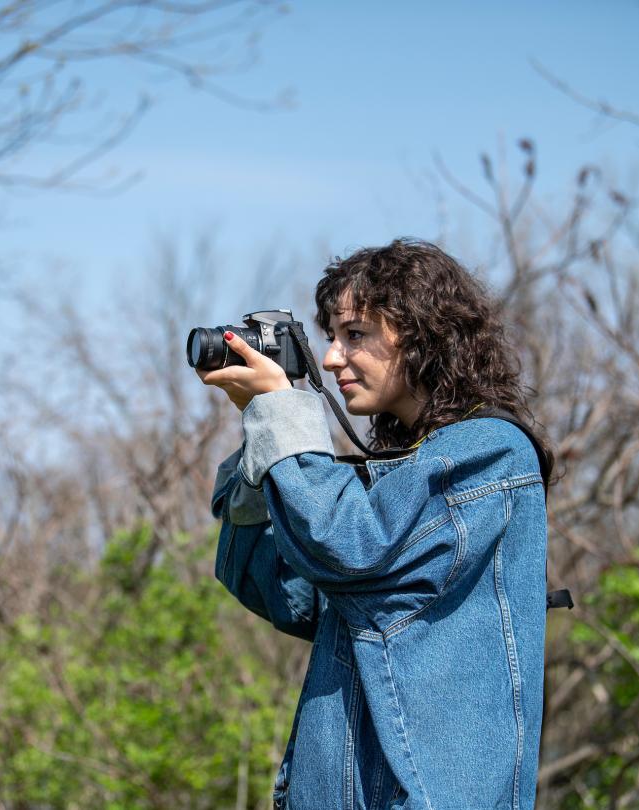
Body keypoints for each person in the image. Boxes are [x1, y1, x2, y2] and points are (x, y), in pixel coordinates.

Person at [197, 239, 551, 810]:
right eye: (331, 338)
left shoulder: (491, 452)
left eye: (354, 334)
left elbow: (351, 547)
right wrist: (262, 435)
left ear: (424, 334)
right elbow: (286, 594)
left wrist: (285, 419)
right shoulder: (396, 476)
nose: (332, 358)